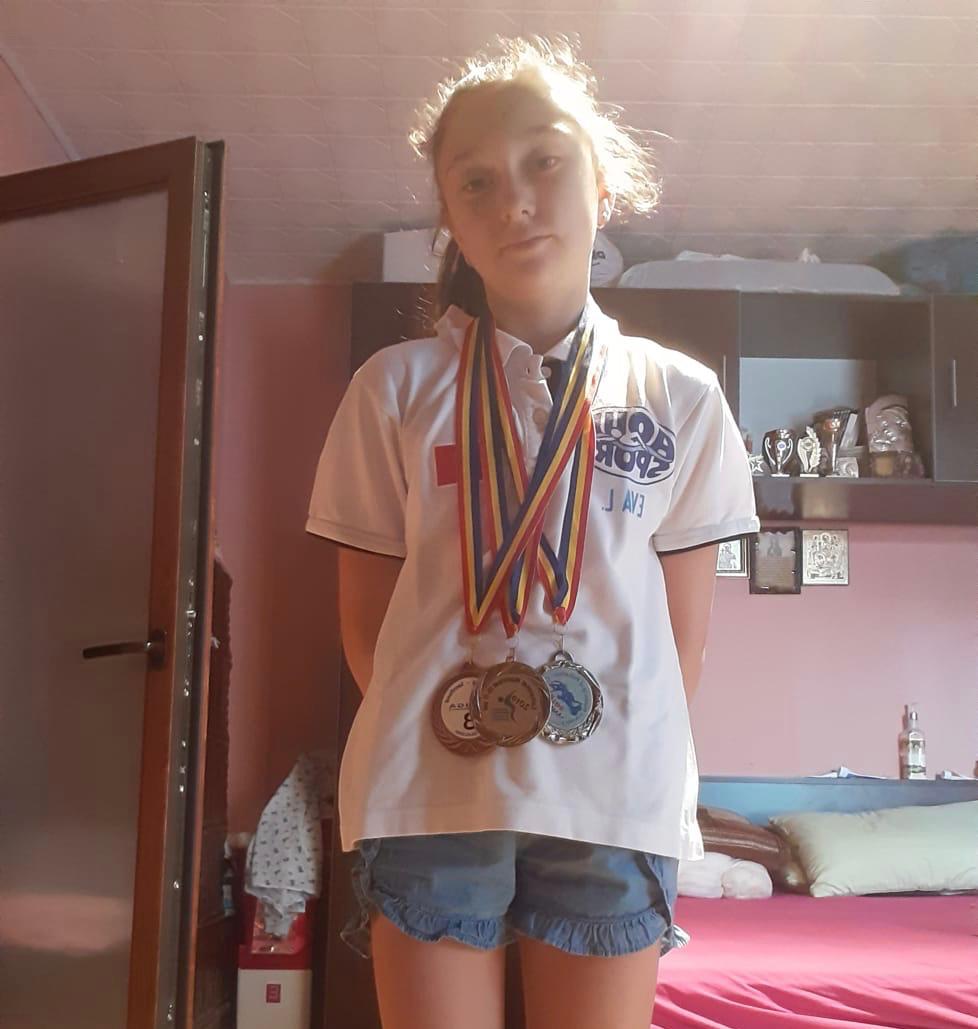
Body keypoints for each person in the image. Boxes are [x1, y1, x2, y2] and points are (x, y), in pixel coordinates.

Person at [306, 36, 759, 1029]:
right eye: (476, 181)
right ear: (451, 224)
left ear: (602, 184)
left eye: (543, 160)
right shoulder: (393, 390)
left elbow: (681, 645)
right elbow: (367, 634)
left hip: (613, 800)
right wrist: (457, 720)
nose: (513, 199)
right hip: (429, 792)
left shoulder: (682, 398)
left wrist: (587, 738)